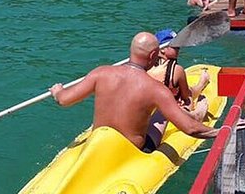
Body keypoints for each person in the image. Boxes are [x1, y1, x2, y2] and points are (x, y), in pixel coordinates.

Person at [49, 32, 218, 152]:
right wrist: (222, 131)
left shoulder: (100, 73)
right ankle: (192, 113)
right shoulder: (157, 89)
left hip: (100, 145)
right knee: (162, 112)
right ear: (153, 55)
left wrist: (58, 91)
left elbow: (64, 100)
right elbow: (190, 130)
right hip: (132, 150)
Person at [145, 30, 211, 151]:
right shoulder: (177, 70)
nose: (179, 47)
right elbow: (186, 95)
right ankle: (196, 113)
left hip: (150, 110)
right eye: (175, 45)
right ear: (162, 49)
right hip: (168, 107)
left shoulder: (146, 68)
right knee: (188, 96)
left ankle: (201, 83)